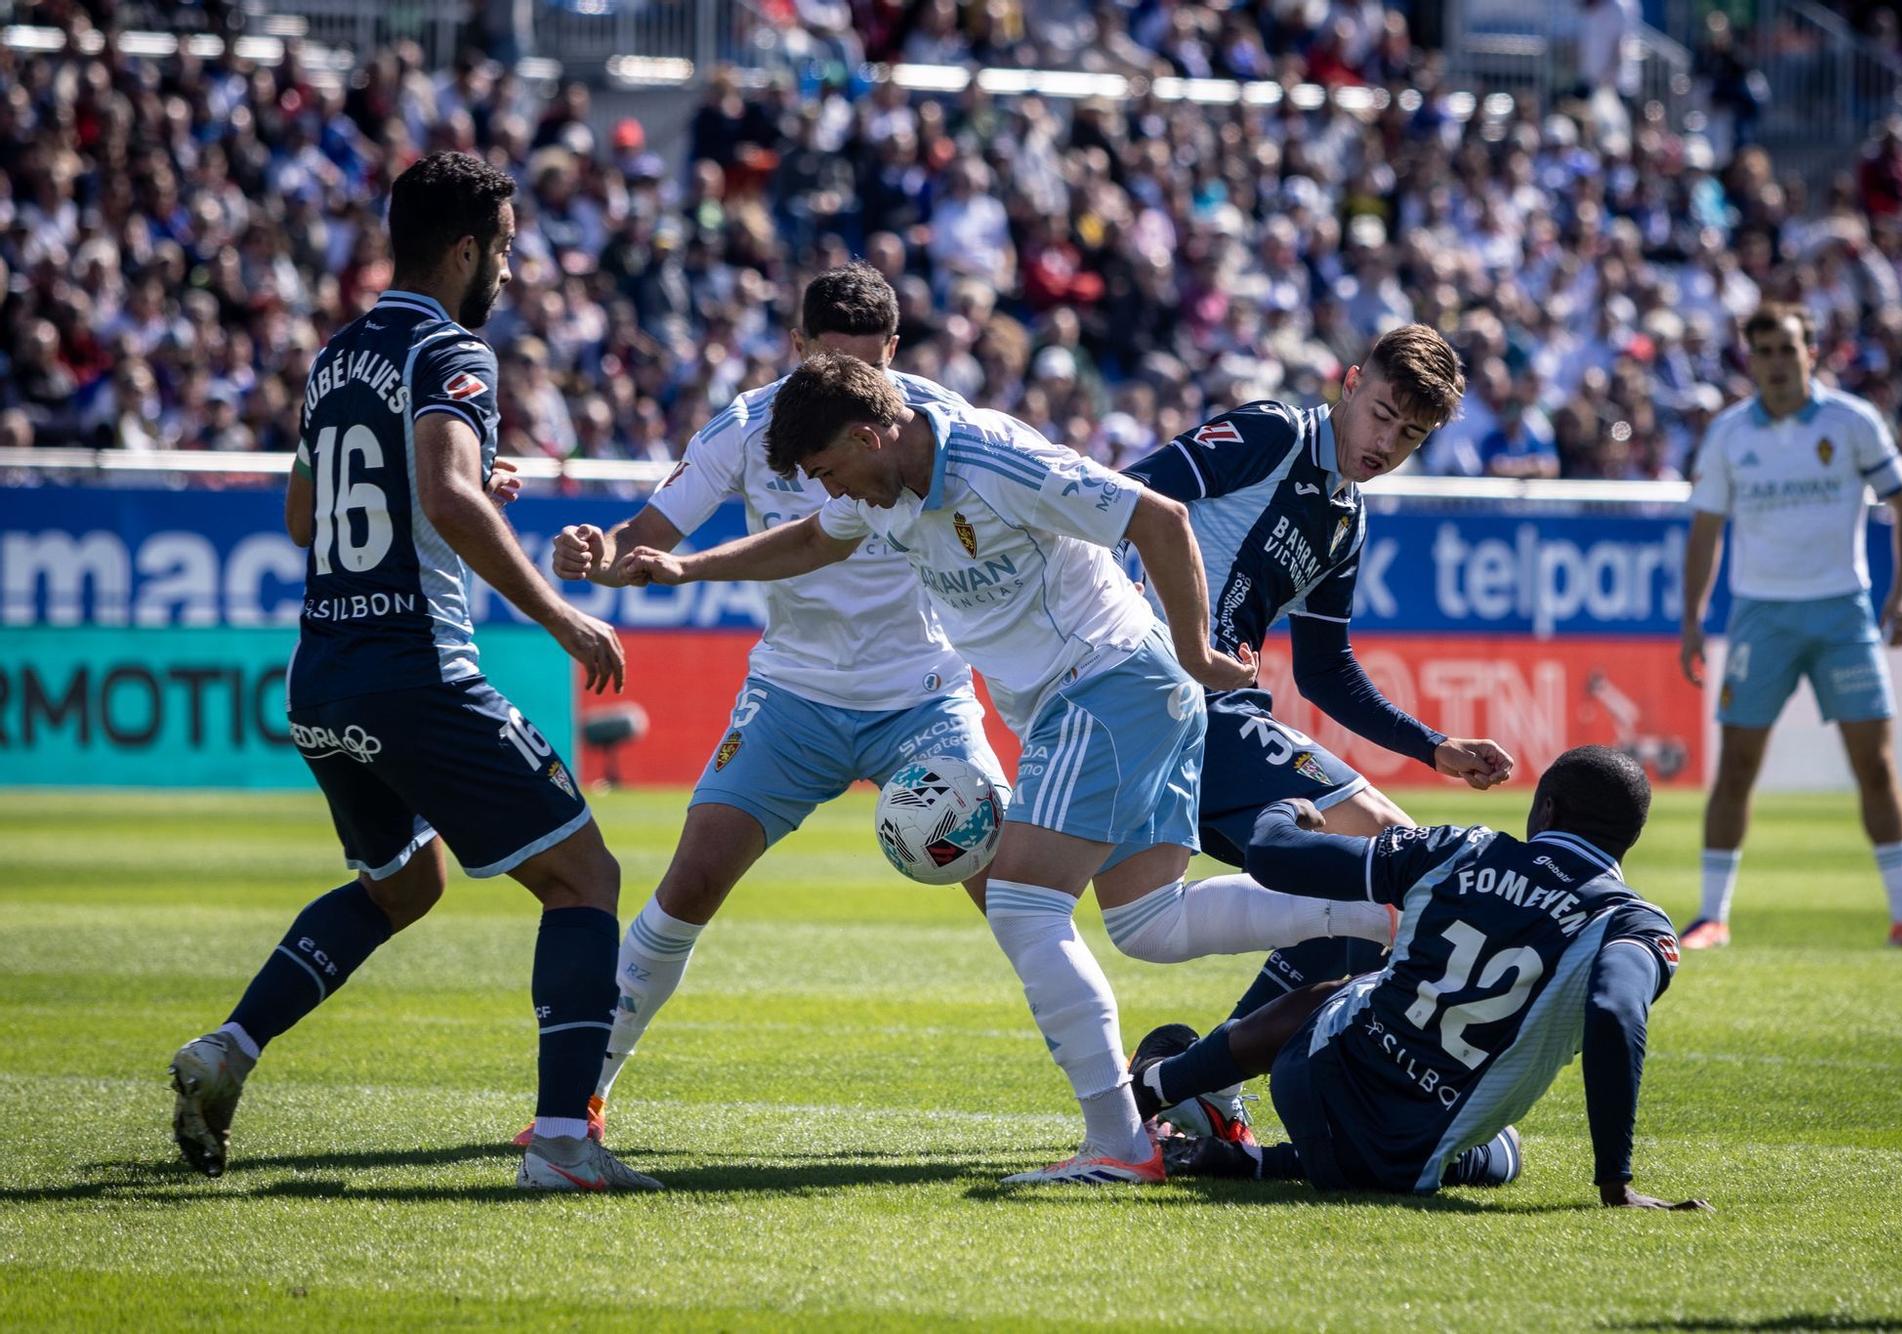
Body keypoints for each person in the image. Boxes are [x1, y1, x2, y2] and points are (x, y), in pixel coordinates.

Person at [614, 353, 1400, 1184]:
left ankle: (1119, 1146)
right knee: (1150, 923)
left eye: (830, 472)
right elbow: (813, 539)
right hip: (1103, 695)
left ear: (868, 434)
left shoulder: (994, 460)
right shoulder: (876, 490)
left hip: (1107, 682)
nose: (833, 492)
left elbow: (1161, 517)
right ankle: (1379, 919)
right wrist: (687, 566)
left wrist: (1198, 652)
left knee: (1026, 908)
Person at [166, 151, 661, 1193]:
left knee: (402, 881)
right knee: (585, 878)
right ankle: (565, 1143)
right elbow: (444, 496)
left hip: (323, 673)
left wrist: (467, 478)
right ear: (468, 248)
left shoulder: (337, 355)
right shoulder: (452, 351)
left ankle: (231, 1047)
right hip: (416, 670)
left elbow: (305, 516)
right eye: (508, 251)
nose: (512, 272)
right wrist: (562, 615)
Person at [525, 263, 1008, 1143]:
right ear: (795, 349)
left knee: (1015, 895)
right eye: (826, 364)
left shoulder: (945, 423)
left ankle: (1116, 1109)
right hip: (792, 696)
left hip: (925, 698)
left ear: (894, 355)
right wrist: (594, 555)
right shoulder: (747, 427)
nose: (845, 393)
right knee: (690, 886)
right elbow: (644, 541)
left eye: (866, 370)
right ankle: (580, 1097)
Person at [1120, 324, 1516, 1044]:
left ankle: (1202, 1081)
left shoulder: (1346, 519)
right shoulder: (1275, 434)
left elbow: (1324, 669)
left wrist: (1437, 748)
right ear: (1351, 381)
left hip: (1213, 711)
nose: (1386, 443)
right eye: (1383, 416)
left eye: (1411, 435)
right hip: (1175, 696)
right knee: (1399, 859)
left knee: (1361, 891)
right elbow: (1126, 498)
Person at [1132, 746, 1709, 1210]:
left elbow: (1274, 855)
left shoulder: (1464, 848)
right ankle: (1254, 1160)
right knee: (1502, 1151)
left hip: (1314, 1079)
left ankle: (1157, 1088)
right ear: (1628, 839)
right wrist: (1616, 1180)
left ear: (1547, 810)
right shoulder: (1633, 923)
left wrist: (1285, 811)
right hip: (1419, 1149)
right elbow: (1614, 1010)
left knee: (1352, 987)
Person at [1678, 303, 1902, 951]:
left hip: (1842, 614)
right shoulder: (1728, 434)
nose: (1775, 361)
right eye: (1763, 350)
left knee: (1876, 765)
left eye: (1786, 348)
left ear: (1811, 351)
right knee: (1737, 766)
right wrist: (1691, 619)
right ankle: (1713, 916)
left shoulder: (1850, 421)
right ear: (1751, 358)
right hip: (1759, 618)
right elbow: (1706, 531)